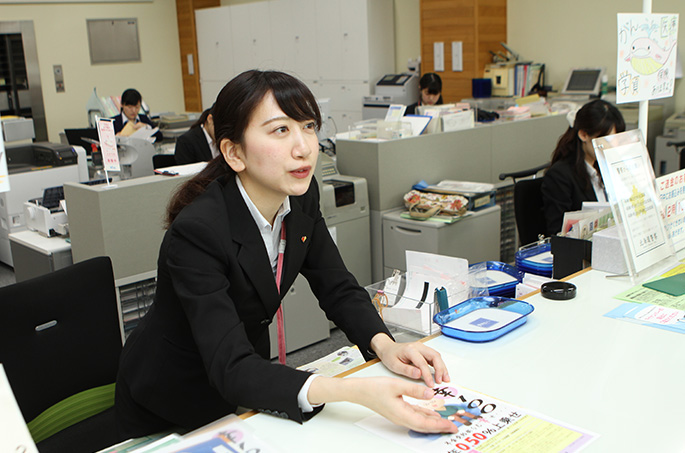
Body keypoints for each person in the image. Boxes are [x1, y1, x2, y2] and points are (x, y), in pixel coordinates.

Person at [114, 70, 459, 440]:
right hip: (172, 398)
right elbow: (229, 366)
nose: (304, 147)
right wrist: (354, 392)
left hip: (247, 380)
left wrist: (385, 345)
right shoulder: (198, 232)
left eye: (308, 126)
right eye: (280, 130)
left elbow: (337, 286)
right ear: (234, 152)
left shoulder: (301, 196)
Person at [541, 99, 625, 236]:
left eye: (616, 139)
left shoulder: (606, 167)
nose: (612, 146)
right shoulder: (560, 175)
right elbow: (557, 232)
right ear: (583, 135)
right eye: (606, 140)